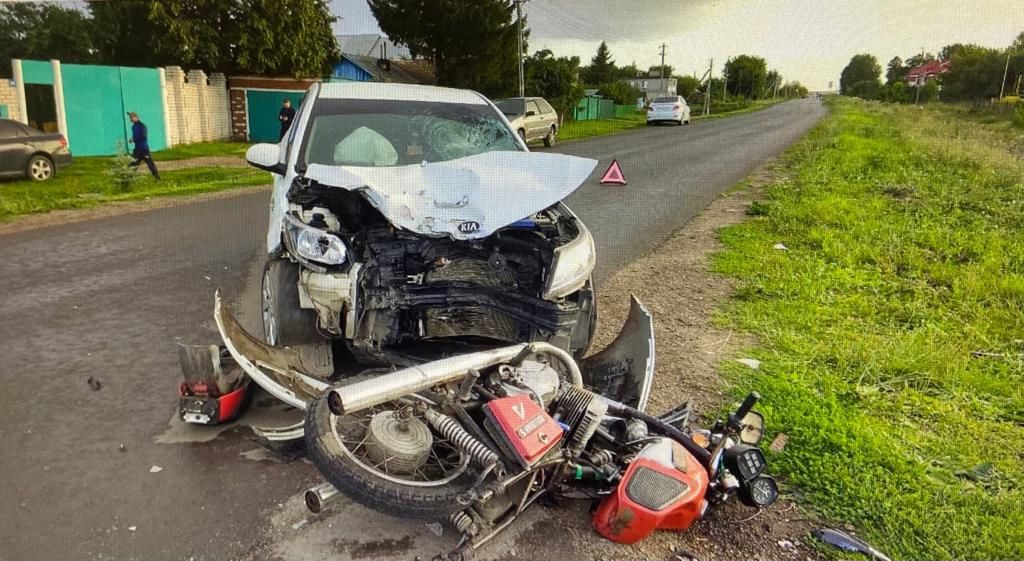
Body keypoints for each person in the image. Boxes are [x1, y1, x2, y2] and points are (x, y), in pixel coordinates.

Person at [127, 111, 160, 180]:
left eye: (131, 118)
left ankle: (158, 179)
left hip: (144, 149)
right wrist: (132, 138)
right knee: (133, 164)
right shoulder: (133, 127)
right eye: (130, 118)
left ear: (136, 117)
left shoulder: (142, 126)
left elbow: (143, 137)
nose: (130, 120)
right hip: (137, 149)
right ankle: (127, 179)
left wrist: (134, 140)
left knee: (150, 164)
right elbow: (135, 136)